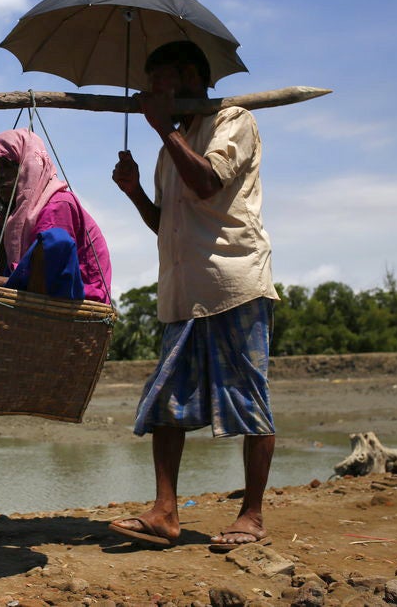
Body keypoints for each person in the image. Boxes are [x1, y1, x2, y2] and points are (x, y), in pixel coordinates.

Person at [109, 40, 278, 551]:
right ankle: (165, 512)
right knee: (166, 400)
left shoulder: (234, 121)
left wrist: (162, 127)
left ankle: (251, 515)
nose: (148, 93)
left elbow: (207, 182)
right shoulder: (171, 147)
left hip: (232, 283)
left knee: (249, 399)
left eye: (156, 81)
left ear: (186, 75)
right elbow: (167, 224)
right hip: (183, 293)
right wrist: (136, 190)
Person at [0, 128, 112, 310]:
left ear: (30, 166)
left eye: (9, 165)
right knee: (0, 239)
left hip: (80, 301)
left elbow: (50, 271)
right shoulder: (14, 214)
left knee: (53, 241)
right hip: (37, 298)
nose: (0, 176)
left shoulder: (58, 204)